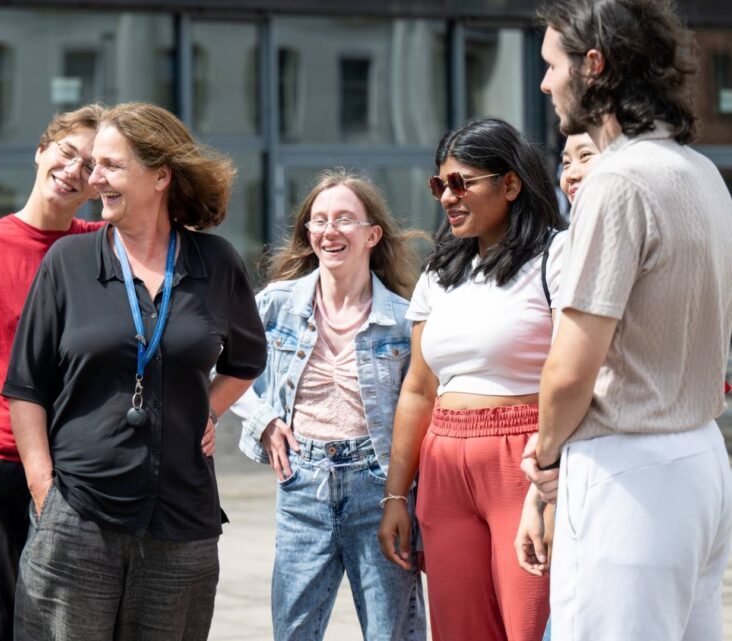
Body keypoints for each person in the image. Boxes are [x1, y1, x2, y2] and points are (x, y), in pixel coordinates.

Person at [3, 102, 266, 640]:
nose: (93, 178)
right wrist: (43, 490)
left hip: (182, 527)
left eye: (110, 165)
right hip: (78, 518)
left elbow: (246, 361)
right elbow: (26, 387)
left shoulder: (217, 263)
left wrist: (207, 410)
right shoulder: (68, 262)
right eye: (92, 165)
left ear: (160, 176)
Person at [526, 2, 732, 639]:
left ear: (594, 65)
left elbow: (570, 369)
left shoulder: (616, 184)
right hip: (701, 460)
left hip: (629, 475)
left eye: (552, 65)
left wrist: (545, 456)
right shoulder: (702, 173)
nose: (545, 83)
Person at [376, 118, 566, 641]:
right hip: (443, 463)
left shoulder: (556, 257)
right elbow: (418, 389)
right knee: (459, 629)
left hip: (523, 459)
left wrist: (554, 477)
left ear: (511, 184)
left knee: (530, 625)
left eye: (461, 182)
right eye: (440, 184)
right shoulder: (439, 272)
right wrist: (396, 497)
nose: (447, 197)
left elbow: (574, 371)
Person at [232, 169, 426, 641]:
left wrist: (406, 494)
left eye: (343, 219)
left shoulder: (404, 320)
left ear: (372, 235)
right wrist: (263, 420)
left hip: (379, 488)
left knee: (391, 632)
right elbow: (219, 364)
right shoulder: (276, 304)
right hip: (302, 485)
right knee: (293, 631)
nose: (328, 230)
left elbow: (422, 406)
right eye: (318, 220)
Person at [0, 104, 105, 641]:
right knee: (13, 623)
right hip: (10, 464)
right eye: (67, 153)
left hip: (90, 465)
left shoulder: (102, 244)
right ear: (41, 151)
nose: (74, 170)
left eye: (91, 165)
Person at [513, 132, 599, 641]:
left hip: (611, 470)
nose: (571, 173)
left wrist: (543, 462)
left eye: (587, 156)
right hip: (577, 468)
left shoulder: (582, 250)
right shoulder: (573, 245)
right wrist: (539, 493)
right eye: (565, 161)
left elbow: (569, 372)